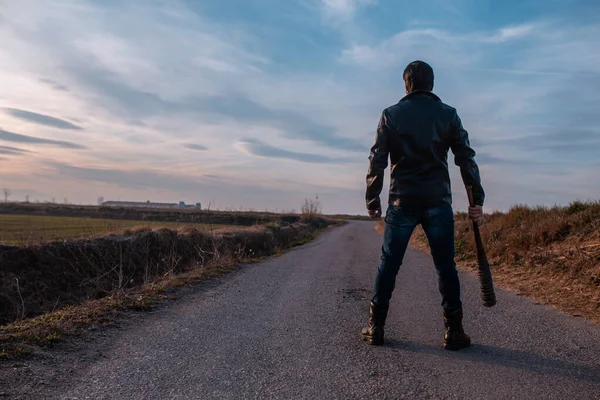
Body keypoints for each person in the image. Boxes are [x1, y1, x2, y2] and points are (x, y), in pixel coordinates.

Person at [361, 60, 485, 350]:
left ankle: (375, 327)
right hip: (437, 201)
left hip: (401, 201)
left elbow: (377, 160)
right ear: (431, 84)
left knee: (389, 264)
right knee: (446, 267)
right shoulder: (448, 115)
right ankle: (454, 332)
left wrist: (372, 198)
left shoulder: (390, 115)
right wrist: (475, 199)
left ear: (407, 84)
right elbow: (466, 158)